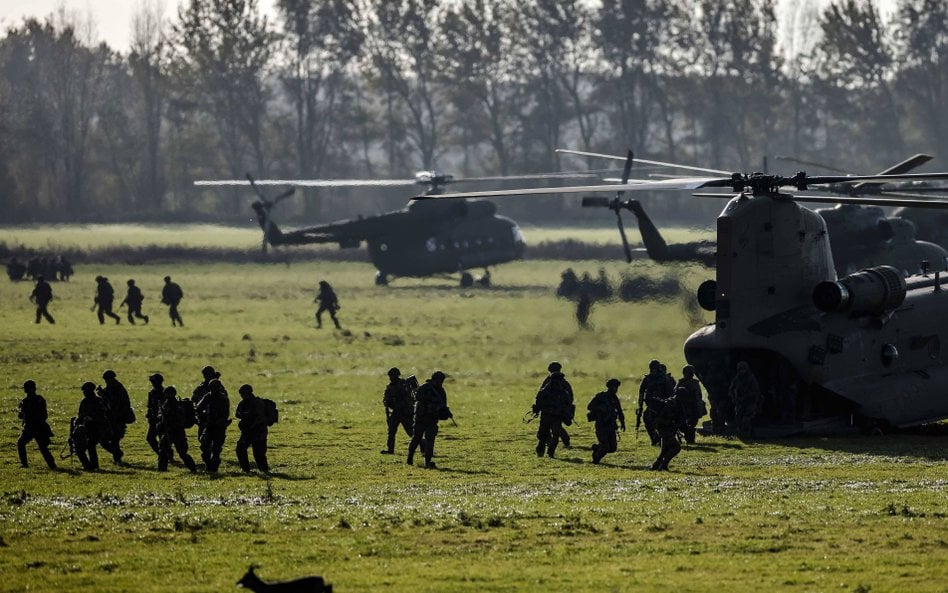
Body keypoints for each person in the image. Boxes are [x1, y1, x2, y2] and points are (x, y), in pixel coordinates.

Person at [407, 371, 449, 469]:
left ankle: (428, 461)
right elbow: (417, 398)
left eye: (442, 381)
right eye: (439, 381)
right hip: (421, 418)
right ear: (434, 379)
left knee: (430, 440)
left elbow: (443, 405)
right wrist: (429, 401)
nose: (440, 383)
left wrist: (444, 412)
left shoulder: (441, 391)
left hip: (432, 419)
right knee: (416, 438)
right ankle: (410, 458)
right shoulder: (425, 388)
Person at [533, 363, 574, 458]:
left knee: (549, 435)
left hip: (551, 414)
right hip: (554, 415)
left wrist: (537, 409)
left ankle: (546, 452)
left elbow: (539, 398)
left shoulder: (548, 384)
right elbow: (570, 399)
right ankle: (547, 452)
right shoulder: (562, 385)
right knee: (550, 434)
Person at [17, 380, 57, 469]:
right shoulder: (40, 399)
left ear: (26, 390)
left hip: (30, 428)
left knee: (21, 443)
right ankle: (52, 465)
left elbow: (21, 416)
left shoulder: (25, 401)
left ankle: (24, 464)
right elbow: (44, 415)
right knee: (43, 448)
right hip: (41, 427)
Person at [156, 386, 197, 472]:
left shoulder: (177, 405)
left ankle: (193, 468)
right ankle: (162, 469)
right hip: (170, 431)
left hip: (177, 432)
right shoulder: (166, 404)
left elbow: (178, 419)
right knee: (163, 450)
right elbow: (161, 417)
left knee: (182, 453)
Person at [98, 369, 133, 464]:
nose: (107, 381)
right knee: (105, 440)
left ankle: (117, 458)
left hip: (118, 418)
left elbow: (115, 403)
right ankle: (117, 454)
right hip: (111, 418)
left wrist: (103, 395)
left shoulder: (118, 388)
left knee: (114, 439)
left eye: (108, 379)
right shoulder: (111, 388)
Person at [587, 378, 626, 464]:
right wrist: (600, 409)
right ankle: (596, 460)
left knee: (612, 448)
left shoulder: (615, 398)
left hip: (611, 425)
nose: (615, 389)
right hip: (601, 424)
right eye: (613, 387)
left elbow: (619, 411)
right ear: (609, 387)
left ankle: (596, 448)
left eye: (616, 387)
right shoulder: (601, 396)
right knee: (605, 445)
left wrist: (622, 423)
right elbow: (590, 406)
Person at [196, 378, 230, 472]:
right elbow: (199, 408)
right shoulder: (208, 396)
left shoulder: (223, 398)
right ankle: (209, 465)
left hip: (219, 427)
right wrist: (203, 415)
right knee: (204, 447)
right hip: (209, 426)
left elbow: (225, 414)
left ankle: (213, 468)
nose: (213, 389)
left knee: (216, 449)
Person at [235, 384, 270, 473]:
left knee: (258, 453)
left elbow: (260, 418)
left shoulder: (258, 403)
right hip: (247, 431)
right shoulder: (242, 403)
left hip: (258, 431)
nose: (242, 396)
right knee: (240, 448)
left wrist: (251, 425)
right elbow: (238, 414)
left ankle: (264, 471)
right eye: (241, 394)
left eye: (244, 394)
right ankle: (245, 470)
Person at [75, 381, 110, 471]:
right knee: (88, 447)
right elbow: (80, 414)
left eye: (85, 391)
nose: (84, 392)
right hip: (87, 428)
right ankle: (91, 466)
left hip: (96, 428)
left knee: (89, 447)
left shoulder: (98, 401)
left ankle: (90, 466)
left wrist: (91, 418)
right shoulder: (85, 401)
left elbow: (103, 414)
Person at [381, 367, 415, 455]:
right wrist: (387, 402)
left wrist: (399, 405)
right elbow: (385, 398)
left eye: (393, 376)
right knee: (391, 432)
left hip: (405, 413)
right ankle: (390, 450)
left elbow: (408, 399)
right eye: (390, 376)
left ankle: (424, 446)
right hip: (396, 413)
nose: (391, 378)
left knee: (411, 432)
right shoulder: (390, 386)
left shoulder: (404, 385)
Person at [650, 387, 684, 471]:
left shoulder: (677, 403)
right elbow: (667, 417)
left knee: (665, 450)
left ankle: (655, 466)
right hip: (664, 428)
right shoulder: (672, 403)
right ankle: (663, 465)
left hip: (666, 428)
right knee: (676, 448)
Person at [638, 360, 671, 446]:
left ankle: (662, 439)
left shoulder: (664, 379)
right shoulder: (647, 379)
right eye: (652, 368)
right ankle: (654, 438)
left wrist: (667, 403)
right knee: (647, 421)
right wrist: (640, 406)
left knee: (661, 424)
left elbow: (669, 392)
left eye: (655, 368)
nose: (653, 370)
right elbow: (641, 392)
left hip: (661, 405)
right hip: (651, 405)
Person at [729, 361, 761, 438]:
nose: (742, 371)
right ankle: (741, 433)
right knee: (738, 418)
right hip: (739, 402)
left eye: (743, 369)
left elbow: (756, 392)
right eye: (740, 369)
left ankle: (747, 434)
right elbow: (731, 389)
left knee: (747, 419)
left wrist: (747, 397)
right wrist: (734, 398)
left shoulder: (751, 379)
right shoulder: (736, 379)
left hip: (749, 402)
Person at [676, 365, 706, 444]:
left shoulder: (695, 383)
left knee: (692, 424)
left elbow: (698, 395)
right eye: (688, 373)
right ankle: (686, 437)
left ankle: (690, 439)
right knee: (682, 424)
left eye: (691, 373)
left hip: (693, 407)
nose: (690, 375)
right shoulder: (681, 382)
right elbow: (676, 394)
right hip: (683, 407)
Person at [145, 373, 165, 456]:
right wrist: (149, 414)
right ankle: (162, 454)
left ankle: (166, 456)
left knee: (163, 439)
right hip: (154, 420)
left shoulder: (164, 392)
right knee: (150, 438)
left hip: (163, 419)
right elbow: (150, 406)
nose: (152, 383)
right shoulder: (152, 392)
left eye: (154, 381)